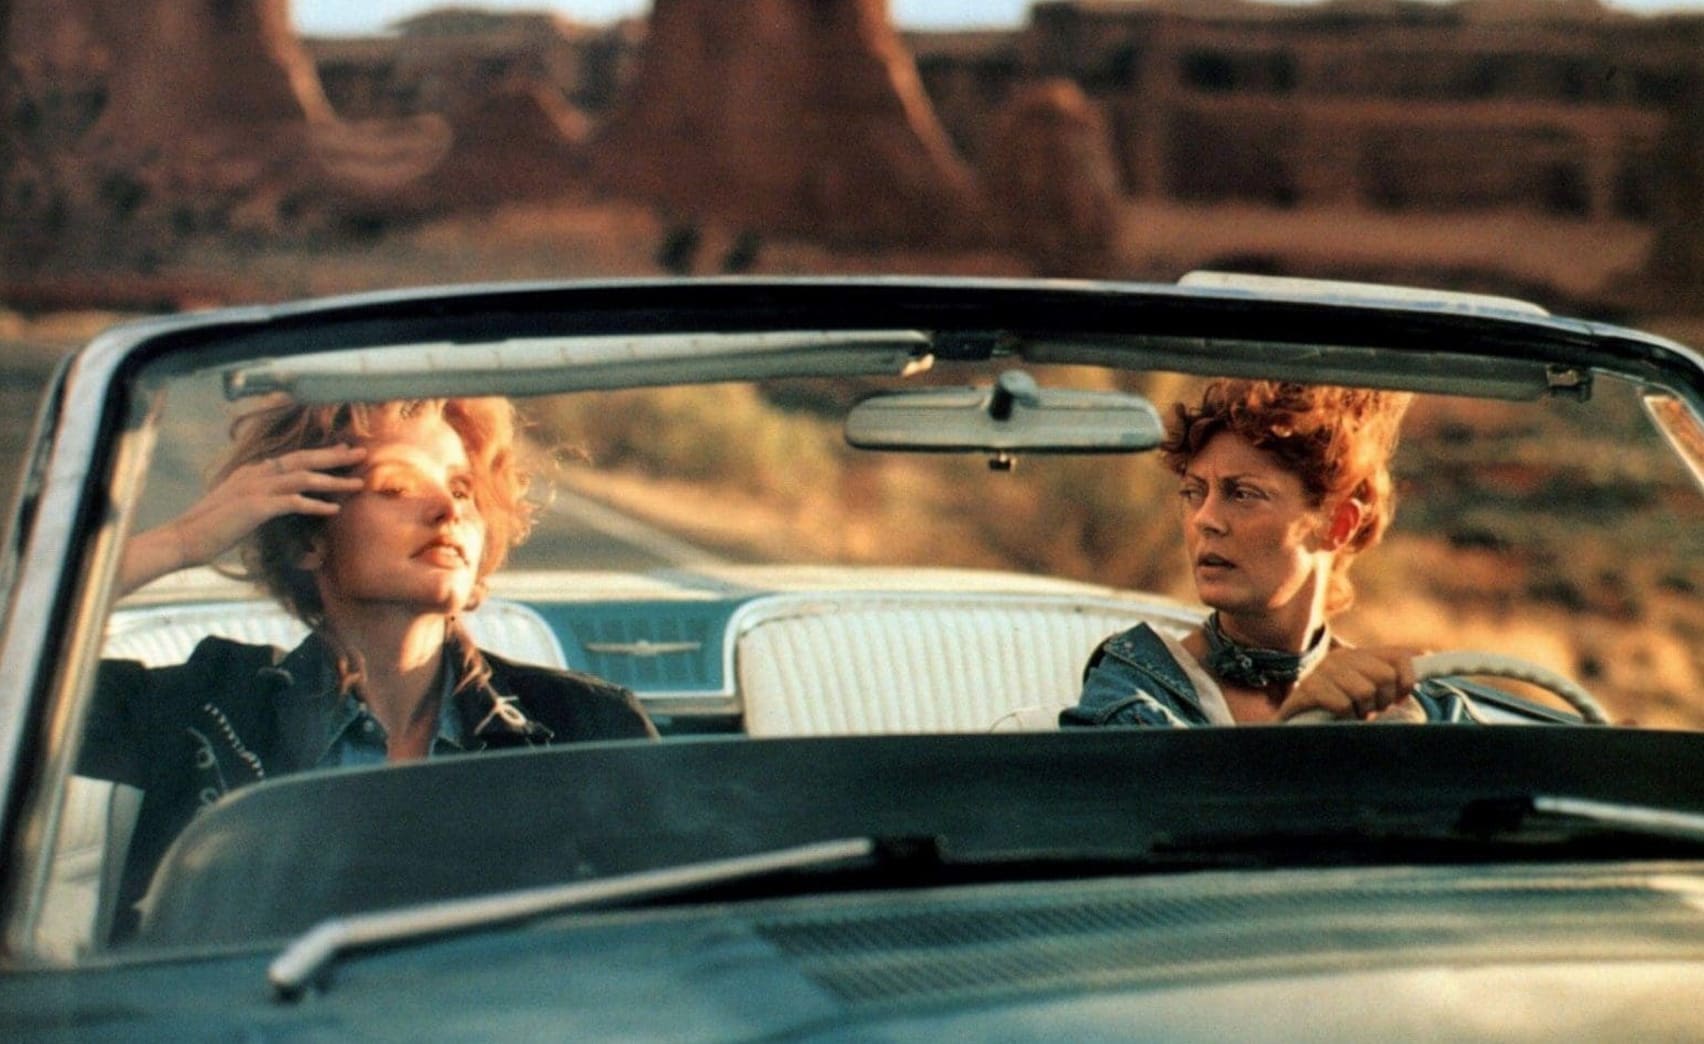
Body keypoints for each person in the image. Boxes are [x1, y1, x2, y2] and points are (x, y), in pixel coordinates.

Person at [82, 396, 656, 939]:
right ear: (308, 538)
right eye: (396, 487)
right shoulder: (203, 708)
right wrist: (181, 542)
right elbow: (32, 656)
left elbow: (678, 948)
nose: (448, 509)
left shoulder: (591, 727)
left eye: (462, 488)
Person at [1064, 379, 1476, 728]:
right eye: (1193, 492)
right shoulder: (1140, 686)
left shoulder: (1418, 705)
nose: (1205, 519)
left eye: (1243, 494)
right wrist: (1295, 729)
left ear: (1338, 524)